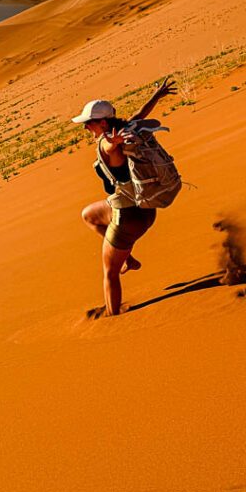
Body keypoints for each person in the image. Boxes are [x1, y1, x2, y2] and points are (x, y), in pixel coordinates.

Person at [73, 78, 177, 316]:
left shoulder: (108, 143)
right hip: (145, 210)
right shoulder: (127, 129)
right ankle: (128, 259)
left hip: (128, 220)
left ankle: (114, 319)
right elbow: (140, 114)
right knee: (89, 215)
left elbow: (111, 151)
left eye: (88, 123)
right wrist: (157, 95)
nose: (85, 128)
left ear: (102, 122)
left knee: (110, 273)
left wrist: (112, 145)